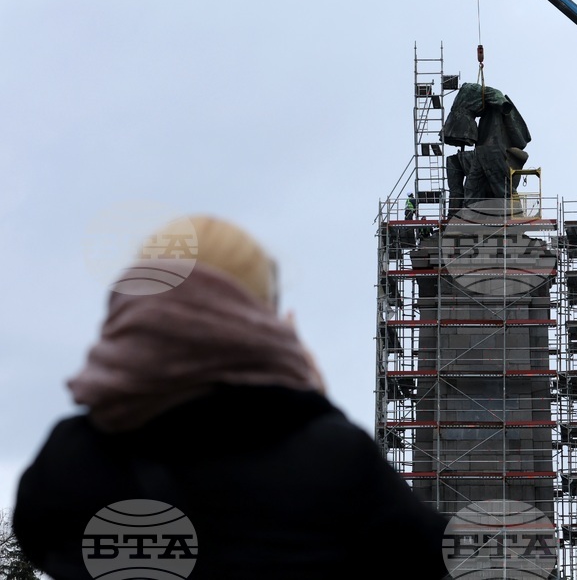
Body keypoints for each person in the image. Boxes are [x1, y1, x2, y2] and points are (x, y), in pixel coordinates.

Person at [13, 215, 449, 580]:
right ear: (255, 315)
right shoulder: (332, 456)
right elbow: (428, 554)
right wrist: (315, 403)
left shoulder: (69, 455)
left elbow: (37, 537)